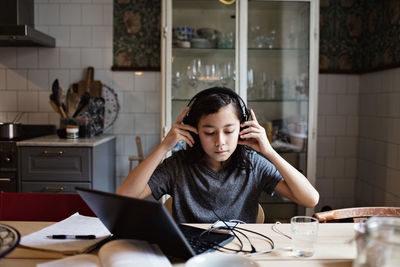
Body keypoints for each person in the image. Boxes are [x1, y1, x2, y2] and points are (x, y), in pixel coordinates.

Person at [117, 87, 319, 223]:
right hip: (191, 256)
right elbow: (124, 197)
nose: (220, 141)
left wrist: (268, 151)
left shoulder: (253, 164)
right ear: (194, 130)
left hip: (239, 255)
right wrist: (164, 147)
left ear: (242, 128)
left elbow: (310, 199)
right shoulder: (178, 165)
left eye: (229, 131)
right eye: (209, 132)